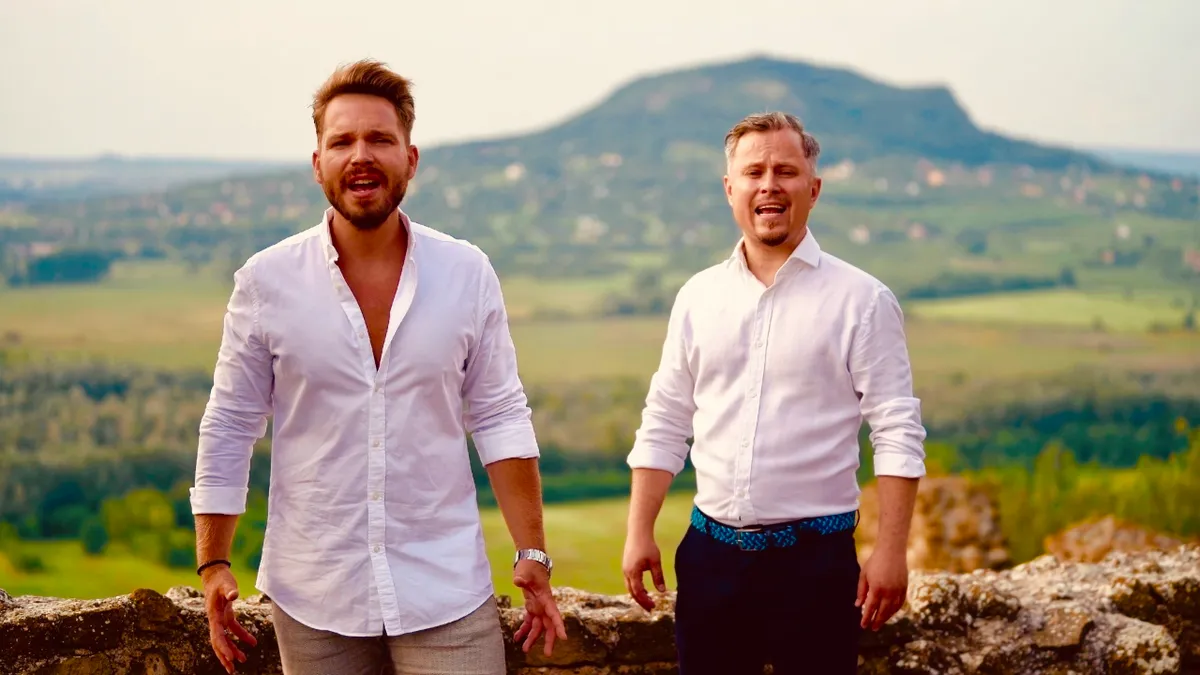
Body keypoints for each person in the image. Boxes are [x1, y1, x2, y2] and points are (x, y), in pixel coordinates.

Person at [190, 58, 567, 675]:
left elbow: (499, 414)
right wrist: (213, 564)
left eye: (379, 139)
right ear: (318, 163)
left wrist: (533, 551)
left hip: (447, 591)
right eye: (342, 141)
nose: (361, 155)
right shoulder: (265, 281)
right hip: (313, 596)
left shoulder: (467, 272)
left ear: (410, 159)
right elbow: (230, 423)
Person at [621, 111, 927, 674]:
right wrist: (639, 530)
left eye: (785, 171)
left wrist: (890, 551)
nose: (769, 185)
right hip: (709, 560)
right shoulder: (697, 297)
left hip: (817, 566)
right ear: (729, 189)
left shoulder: (863, 300)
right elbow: (666, 418)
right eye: (753, 172)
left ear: (813, 188)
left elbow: (896, 430)